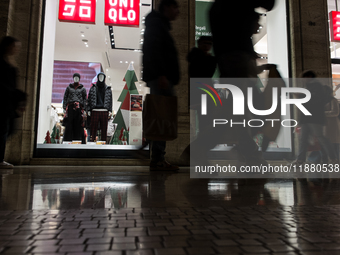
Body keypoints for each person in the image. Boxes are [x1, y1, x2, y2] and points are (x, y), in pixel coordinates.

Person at [209, 2, 275, 165]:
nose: (259, 23)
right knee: (244, 108)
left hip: (234, 58)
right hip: (236, 58)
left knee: (238, 110)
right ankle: (244, 149)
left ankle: (244, 149)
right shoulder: (231, 10)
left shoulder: (220, 8)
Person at [142, 0, 180, 171]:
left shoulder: (159, 25)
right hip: (161, 78)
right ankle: (157, 158)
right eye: (175, 7)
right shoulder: (157, 25)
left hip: (161, 77)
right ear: (166, 7)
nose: (177, 11)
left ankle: (157, 157)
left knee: (162, 116)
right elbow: (155, 50)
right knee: (161, 117)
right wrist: (161, 74)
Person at [292, 71, 338, 165]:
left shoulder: (316, 87)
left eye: (304, 77)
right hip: (308, 118)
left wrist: (300, 96)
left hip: (314, 118)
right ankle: (300, 160)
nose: (302, 80)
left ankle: (333, 159)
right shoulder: (310, 87)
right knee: (305, 139)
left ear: (309, 77)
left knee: (320, 138)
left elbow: (314, 102)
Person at [0, 36, 26, 168]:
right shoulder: (4, 63)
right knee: (5, 129)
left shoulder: (9, 62)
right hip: (4, 101)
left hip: (8, 102)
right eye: (15, 46)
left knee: (8, 129)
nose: (17, 49)